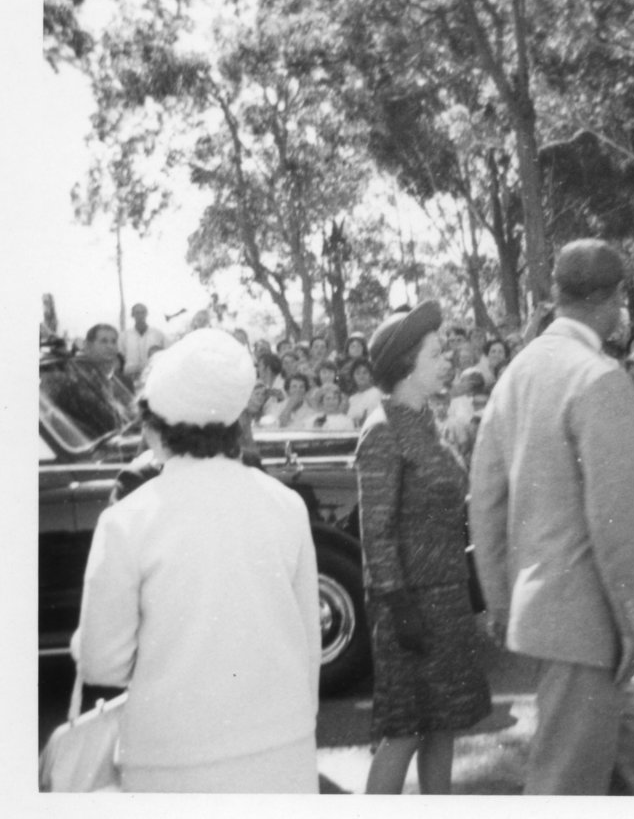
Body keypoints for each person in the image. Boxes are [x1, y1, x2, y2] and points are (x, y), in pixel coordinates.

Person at [72, 328, 321, 792]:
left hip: (171, 763)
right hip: (283, 752)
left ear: (157, 423)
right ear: (233, 419)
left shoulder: (127, 520)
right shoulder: (286, 505)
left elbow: (101, 662)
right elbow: (309, 642)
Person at [470, 239, 634, 795]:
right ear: (612, 298)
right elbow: (612, 519)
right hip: (587, 619)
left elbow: (484, 498)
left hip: (546, 609)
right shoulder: (599, 377)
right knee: (564, 786)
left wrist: (501, 597)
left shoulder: (516, 371)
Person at [355, 300, 491, 795]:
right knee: (405, 730)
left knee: (443, 723)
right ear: (406, 366)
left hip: (446, 599)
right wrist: (398, 606)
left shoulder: (426, 424)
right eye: (436, 354)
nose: (447, 361)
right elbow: (376, 533)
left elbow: (455, 505)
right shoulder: (383, 430)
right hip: (409, 607)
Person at [119, 303, 167, 381]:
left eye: (143, 312)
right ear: (132, 315)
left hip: (152, 376)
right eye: (137, 313)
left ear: (146, 314)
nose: (140, 315)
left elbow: (166, 354)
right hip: (130, 377)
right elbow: (120, 357)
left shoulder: (157, 334)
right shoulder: (124, 336)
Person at [347, 358, 382, 428]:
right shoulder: (352, 399)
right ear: (353, 377)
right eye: (357, 373)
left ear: (371, 375)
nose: (361, 376)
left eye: (365, 372)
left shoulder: (376, 394)